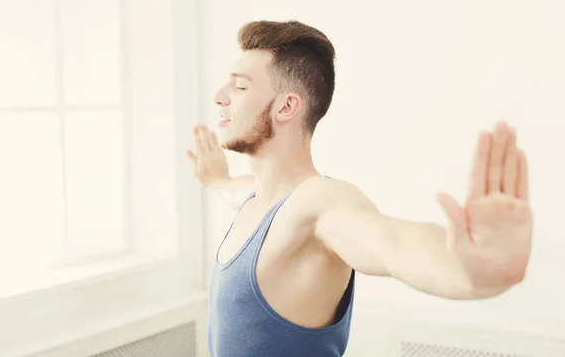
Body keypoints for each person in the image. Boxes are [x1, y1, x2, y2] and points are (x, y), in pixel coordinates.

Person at [186, 20, 533, 357]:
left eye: (240, 86)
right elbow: (230, 189)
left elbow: (393, 244)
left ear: (286, 107)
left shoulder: (320, 205)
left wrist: (465, 273)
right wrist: (217, 180)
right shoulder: (254, 197)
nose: (220, 97)